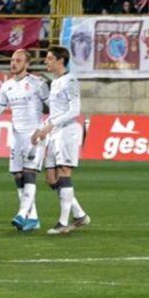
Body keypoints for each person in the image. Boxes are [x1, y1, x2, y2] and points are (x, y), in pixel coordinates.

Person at [0, 49, 49, 232]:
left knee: (29, 173)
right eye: (12, 60)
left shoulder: (38, 83)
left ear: (27, 64)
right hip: (17, 137)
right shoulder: (7, 86)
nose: (13, 63)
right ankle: (33, 218)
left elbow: (53, 107)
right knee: (18, 176)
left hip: (34, 136)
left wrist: (47, 128)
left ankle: (21, 213)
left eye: (18, 60)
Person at [34, 46, 91, 235]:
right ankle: (80, 215)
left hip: (67, 133)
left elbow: (75, 110)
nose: (46, 61)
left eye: (49, 58)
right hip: (54, 133)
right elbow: (56, 110)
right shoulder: (56, 82)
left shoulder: (71, 81)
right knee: (51, 179)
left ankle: (63, 222)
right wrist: (43, 128)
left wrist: (52, 124)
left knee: (65, 173)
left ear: (60, 61)